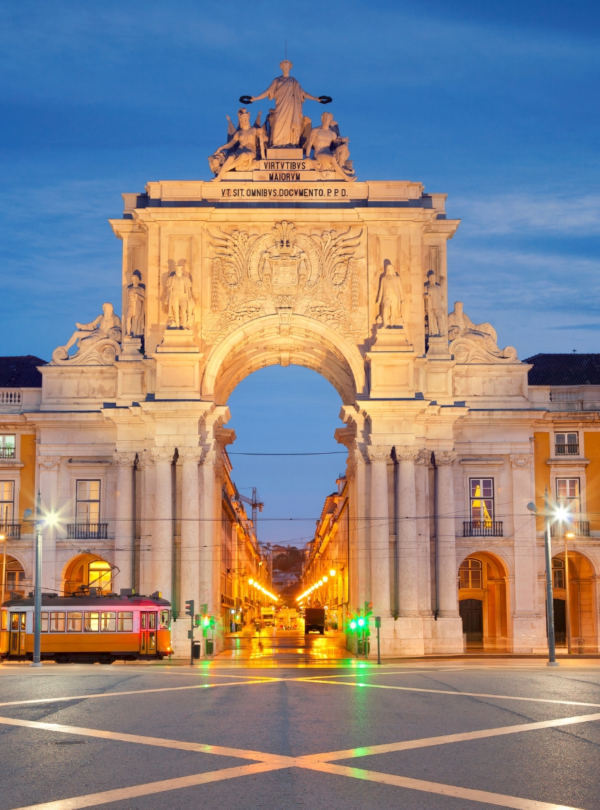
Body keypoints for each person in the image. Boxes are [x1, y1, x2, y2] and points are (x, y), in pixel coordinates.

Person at [248, 60, 328, 147]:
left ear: (290, 68)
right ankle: (277, 144)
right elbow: (268, 92)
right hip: (281, 107)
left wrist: (315, 98)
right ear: (282, 68)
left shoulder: (293, 81)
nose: (286, 68)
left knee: (290, 125)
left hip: (291, 108)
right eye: (284, 66)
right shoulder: (277, 80)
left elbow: (303, 93)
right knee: (278, 124)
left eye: (287, 67)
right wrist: (256, 98)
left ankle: (291, 144)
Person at [210, 109, 263, 181]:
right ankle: (219, 178)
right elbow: (229, 144)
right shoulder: (238, 133)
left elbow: (263, 137)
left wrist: (261, 133)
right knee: (231, 157)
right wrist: (220, 148)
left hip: (250, 150)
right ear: (241, 120)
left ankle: (226, 169)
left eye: (246, 118)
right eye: (244, 119)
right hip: (240, 150)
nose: (245, 120)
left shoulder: (254, 130)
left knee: (243, 155)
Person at [304, 112, 356, 182]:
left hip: (328, 153)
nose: (326, 120)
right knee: (332, 159)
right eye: (325, 118)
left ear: (330, 120)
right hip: (319, 154)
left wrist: (342, 140)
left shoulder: (332, 134)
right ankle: (346, 178)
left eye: (328, 118)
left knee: (344, 147)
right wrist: (307, 157)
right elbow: (309, 144)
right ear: (322, 119)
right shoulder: (316, 131)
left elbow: (337, 141)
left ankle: (340, 165)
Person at [167, 262, 194, 328]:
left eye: (180, 270)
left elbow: (189, 288)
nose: (179, 271)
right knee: (175, 311)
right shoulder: (171, 279)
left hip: (183, 296)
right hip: (174, 296)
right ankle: (177, 325)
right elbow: (168, 289)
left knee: (183, 310)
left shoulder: (185, 279)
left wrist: (190, 297)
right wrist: (167, 298)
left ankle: (183, 325)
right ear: (176, 271)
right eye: (177, 270)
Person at [376, 264, 404, 328]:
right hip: (386, 296)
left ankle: (391, 325)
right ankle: (385, 324)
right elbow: (381, 290)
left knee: (393, 311)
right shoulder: (383, 279)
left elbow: (400, 289)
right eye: (387, 269)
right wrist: (379, 300)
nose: (388, 270)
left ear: (392, 269)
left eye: (390, 269)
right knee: (385, 308)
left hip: (395, 297)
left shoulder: (397, 278)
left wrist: (402, 299)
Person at [424, 270, 446, 337]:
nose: (433, 279)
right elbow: (424, 295)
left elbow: (442, 297)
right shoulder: (427, 287)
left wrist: (443, 307)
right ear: (429, 279)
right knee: (431, 320)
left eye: (433, 278)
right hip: (430, 306)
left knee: (439, 319)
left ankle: (441, 332)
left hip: (438, 305)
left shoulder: (438, 287)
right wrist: (426, 296)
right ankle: (432, 333)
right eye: (431, 278)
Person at [125, 272, 145, 337]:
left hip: (137, 305)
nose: (134, 281)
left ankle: (135, 334)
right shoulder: (129, 289)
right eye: (133, 279)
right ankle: (128, 333)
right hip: (130, 305)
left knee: (136, 319)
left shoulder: (141, 289)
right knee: (128, 318)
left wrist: (138, 296)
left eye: (135, 279)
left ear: (138, 280)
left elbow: (143, 299)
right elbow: (127, 299)